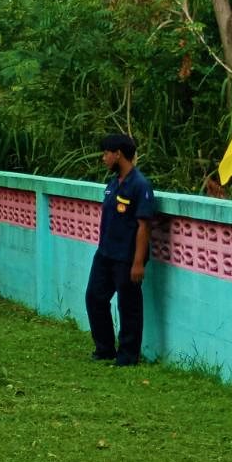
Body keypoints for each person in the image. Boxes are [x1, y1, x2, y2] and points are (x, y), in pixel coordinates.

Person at [86, 133, 157, 366]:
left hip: (126, 258)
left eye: (106, 153)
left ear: (118, 154)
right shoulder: (113, 183)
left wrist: (138, 262)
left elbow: (144, 226)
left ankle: (128, 355)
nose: (104, 158)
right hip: (105, 253)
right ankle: (105, 348)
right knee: (94, 297)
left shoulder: (140, 185)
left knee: (129, 307)